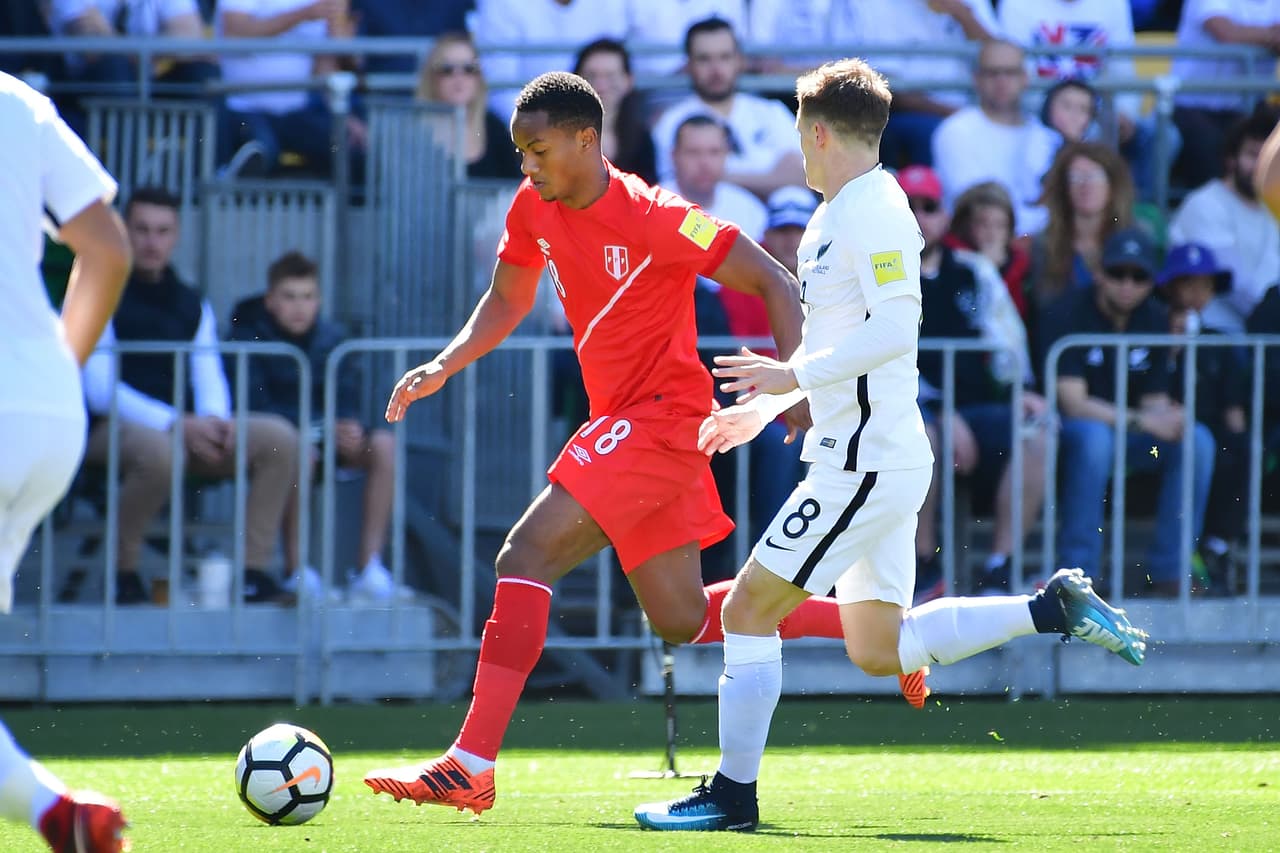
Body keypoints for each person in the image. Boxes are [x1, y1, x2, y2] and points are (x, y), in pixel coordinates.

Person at [632, 58, 1147, 833]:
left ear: (816, 132)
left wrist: (788, 372)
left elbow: (897, 331)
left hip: (864, 464)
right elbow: (856, 344)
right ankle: (1049, 607)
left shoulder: (870, 209)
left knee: (745, 611)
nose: (798, 152)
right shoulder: (843, 208)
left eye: (800, 137)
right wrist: (782, 400)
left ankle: (731, 794)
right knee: (879, 648)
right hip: (873, 455)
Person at [362, 69, 840, 816]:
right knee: (681, 617)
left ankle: (470, 763)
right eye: (521, 151)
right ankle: (883, 626)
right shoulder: (534, 205)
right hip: (623, 416)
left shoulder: (657, 215)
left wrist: (796, 386)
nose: (526, 165)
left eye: (538, 149)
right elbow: (508, 296)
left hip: (660, 416)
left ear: (587, 140)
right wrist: (443, 364)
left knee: (525, 554)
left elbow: (776, 280)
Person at [0, 69, 131, 853]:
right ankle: (58, 814)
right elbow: (108, 248)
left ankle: (53, 808)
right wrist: (56, 375)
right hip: (47, 410)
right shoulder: (18, 99)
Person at [81, 187, 301, 605]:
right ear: (125, 230)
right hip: (111, 430)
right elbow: (98, 390)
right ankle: (121, 574)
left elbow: (208, 372)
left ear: (177, 235)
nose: (152, 241)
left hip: (183, 430)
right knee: (162, 453)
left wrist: (215, 423)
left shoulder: (190, 301)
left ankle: (254, 573)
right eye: (142, 229)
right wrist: (176, 423)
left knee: (280, 438)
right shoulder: (102, 289)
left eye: (163, 231)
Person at [227, 250, 407, 603]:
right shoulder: (249, 337)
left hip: (325, 438)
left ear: (319, 300)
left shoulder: (333, 338)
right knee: (300, 453)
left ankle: (369, 569)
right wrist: (317, 427)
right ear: (270, 301)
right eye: (290, 297)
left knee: (383, 445)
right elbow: (253, 404)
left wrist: (351, 426)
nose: (299, 307)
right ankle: (297, 572)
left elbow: (349, 392)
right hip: (283, 445)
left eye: (308, 297)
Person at [900, 165, 1046, 601]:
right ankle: (924, 564)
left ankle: (1000, 566)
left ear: (945, 216)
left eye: (929, 207)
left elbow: (1007, 344)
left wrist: (1022, 392)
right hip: (908, 406)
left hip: (973, 405)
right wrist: (942, 414)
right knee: (921, 438)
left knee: (1040, 431)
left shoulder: (973, 270)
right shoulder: (874, 273)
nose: (920, 217)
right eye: (909, 207)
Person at [1048, 228, 1216, 596]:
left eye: (1138, 276)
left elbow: (1152, 399)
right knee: (1095, 440)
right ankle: (1079, 571)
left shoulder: (1154, 317)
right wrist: (1146, 420)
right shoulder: (1068, 311)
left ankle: (1170, 570)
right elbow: (1073, 402)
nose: (1127, 285)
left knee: (1196, 439)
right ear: (1099, 273)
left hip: (1130, 433)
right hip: (1069, 432)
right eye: (1117, 273)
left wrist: (1169, 416)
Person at [651, 17, 806, 199]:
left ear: (739, 60)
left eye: (724, 57)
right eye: (704, 59)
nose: (716, 69)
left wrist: (721, 177)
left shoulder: (771, 112)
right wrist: (771, 178)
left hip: (777, 222)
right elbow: (675, 190)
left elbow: (804, 177)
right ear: (689, 65)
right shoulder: (671, 122)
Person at [931, 40, 1059, 236]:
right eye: (992, 73)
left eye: (1010, 72)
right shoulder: (955, 131)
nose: (1002, 81)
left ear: (1025, 78)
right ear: (976, 79)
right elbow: (975, 206)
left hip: (1040, 244)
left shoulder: (1044, 135)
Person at [1168, 109, 1280, 333]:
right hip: (1216, 336)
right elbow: (1238, 287)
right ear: (1232, 159)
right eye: (1253, 155)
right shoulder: (1205, 204)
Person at [414, 31, 522, 181]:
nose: (459, 78)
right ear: (431, 77)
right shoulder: (413, 130)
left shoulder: (494, 127)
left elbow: (512, 188)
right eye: (447, 69)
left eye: (469, 69)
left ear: (479, 77)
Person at [572, 38, 657, 185]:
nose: (601, 85)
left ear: (628, 81)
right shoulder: (555, 135)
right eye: (591, 76)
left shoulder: (642, 139)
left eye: (611, 77)